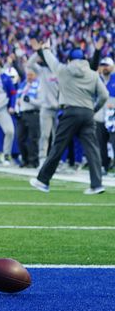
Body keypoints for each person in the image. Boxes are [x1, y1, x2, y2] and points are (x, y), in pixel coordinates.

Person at [29, 39, 109, 195]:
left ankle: (43, 180)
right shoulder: (93, 74)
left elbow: (50, 59)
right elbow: (104, 95)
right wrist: (93, 109)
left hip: (70, 112)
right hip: (87, 113)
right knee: (92, 149)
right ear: (84, 59)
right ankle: (97, 184)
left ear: (69, 59)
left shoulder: (63, 70)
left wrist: (45, 49)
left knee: (58, 146)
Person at [28, 51, 59, 165]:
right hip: (46, 108)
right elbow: (30, 64)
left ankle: (55, 160)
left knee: (58, 137)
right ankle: (42, 159)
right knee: (45, 135)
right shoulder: (42, 71)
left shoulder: (60, 71)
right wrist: (39, 51)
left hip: (59, 108)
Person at [15, 68, 41, 168]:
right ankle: (25, 159)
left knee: (33, 138)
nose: (29, 77)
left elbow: (41, 102)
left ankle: (33, 161)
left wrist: (30, 100)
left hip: (33, 113)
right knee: (20, 138)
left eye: (31, 75)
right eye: (28, 75)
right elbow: (18, 98)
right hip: (22, 113)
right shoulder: (23, 85)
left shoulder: (39, 86)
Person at [94, 57, 114, 174]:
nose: (104, 67)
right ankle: (103, 165)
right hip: (100, 116)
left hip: (113, 118)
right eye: (102, 65)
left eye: (107, 65)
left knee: (114, 142)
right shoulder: (97, 80)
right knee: (101, 143)